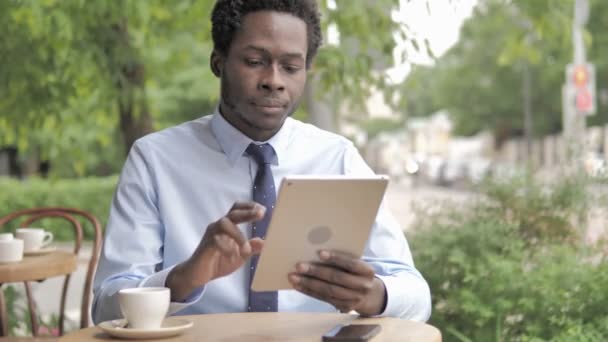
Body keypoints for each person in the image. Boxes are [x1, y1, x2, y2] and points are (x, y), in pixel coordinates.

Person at [92, 0, 431, 323]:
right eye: (255, 61)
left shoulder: (338, 157)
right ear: (218, 62)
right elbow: (106, 307)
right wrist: (184, 278)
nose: (274, 80)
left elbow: (417, 295)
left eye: (291, 67)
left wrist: (373, 294)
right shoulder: (155, 160)